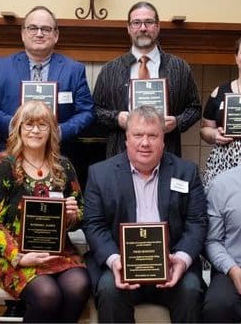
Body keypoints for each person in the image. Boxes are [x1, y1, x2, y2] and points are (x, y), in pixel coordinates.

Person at [82, 105, 207, 323]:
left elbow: (197, 222)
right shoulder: (100, 174)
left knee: (190, 290)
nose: (145, 143)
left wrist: (181, 259)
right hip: (121, 265)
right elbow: (94, 225)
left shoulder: (186, 172)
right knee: (109, 290)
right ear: (126, 139)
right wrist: (115, 261)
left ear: (163, 140)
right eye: (138, 135)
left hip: (172, 265)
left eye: (152, 135)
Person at [0, 100, 90, 323]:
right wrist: (18, 256)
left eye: (42, 125)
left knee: (79, 287)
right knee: (47, 295)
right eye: (29, 124)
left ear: (52, 130)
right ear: (19, 128)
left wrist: (71, 216)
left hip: (57, 252)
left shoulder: (64, 166)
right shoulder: (4, 164)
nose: (35, 130)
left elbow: (80, 213)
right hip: (12, 254)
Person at [0, 5, 94, 164]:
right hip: (8, 154)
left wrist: (59, 132)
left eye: (46, 29)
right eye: (32, 28)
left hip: (58, 156)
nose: (39, 34)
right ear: (23, 34)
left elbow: (87, 112)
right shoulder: (1, 66)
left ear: (56, 35)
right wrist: (13, 126)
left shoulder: (74, 70)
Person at [93, 1, 201, 159]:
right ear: (129, 28)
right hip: (120, 155)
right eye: (136, 23)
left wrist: (177, 122)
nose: (143, 28)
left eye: (149, 22)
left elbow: (195, 108)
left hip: (167, 153)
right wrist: (117, 118)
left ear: (157, 27)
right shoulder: (110, 69)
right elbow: (95, 111)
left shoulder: (180, 67)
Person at [200, 33, 241, 190]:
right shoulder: (219, 91)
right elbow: (205, 129)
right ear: (236, 57)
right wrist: (214, 135)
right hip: (222, 167)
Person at [203, 164, 241, 322]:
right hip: (234, 268)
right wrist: (234, 271)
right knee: (217, 305)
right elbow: (212, 240)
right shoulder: (222, 184)